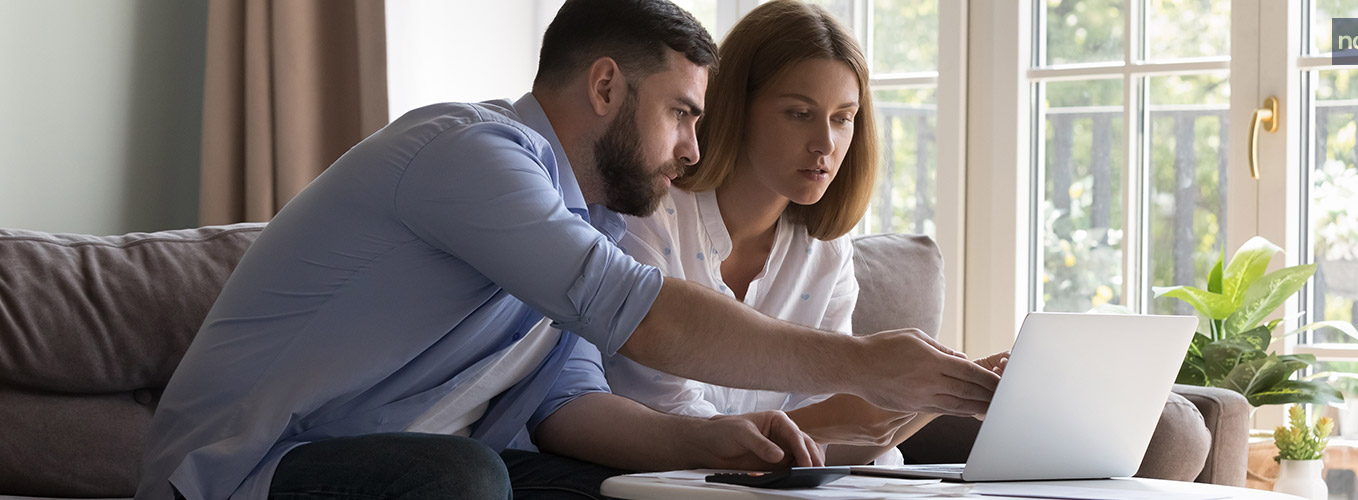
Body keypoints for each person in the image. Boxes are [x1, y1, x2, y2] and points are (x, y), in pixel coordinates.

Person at [133, 1, 999, 499]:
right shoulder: (468, 153)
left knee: (610, 491)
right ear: (606, 86)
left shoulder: (589, 223)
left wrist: (717, 446)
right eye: (682, 114)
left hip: (406, 464)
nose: (695, 150)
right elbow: (645, 317)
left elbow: (568, 407)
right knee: (464, 482)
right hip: (242, 474)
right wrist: (863, 363)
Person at [606, 1, 1006, 467]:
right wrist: (839, 414)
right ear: (735, 107)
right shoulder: (648, 213)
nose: (826, 144)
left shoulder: (825, 252)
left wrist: (934, 399)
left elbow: (830, 449)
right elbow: (673, 426)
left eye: (842, 118)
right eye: (799, 113)